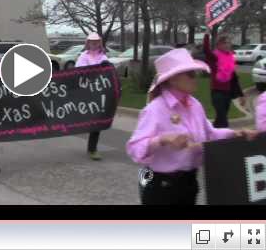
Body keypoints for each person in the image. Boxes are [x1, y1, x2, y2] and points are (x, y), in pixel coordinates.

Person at [126, 48, 257, 205]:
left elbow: (209, 133)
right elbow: (134, 148)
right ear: (173, 79)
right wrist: (161, 140)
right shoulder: (155, 109)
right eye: (190, 74)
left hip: (189, 183)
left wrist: (235, 133)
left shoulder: (194, 105)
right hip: (161, 187)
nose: (196, 78)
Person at [75, 32, 109, 161]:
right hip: (87, 91)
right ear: (87, 43)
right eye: (91, 41)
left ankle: (92, 149)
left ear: (99, 42)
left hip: (99, 92)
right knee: (88, 118)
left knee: (97, 120)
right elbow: (78, 71)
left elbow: (108, 71)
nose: (94, 44)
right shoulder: (83, 56)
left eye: (96, 41)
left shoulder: (103, 56)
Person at [203, 31, 245, 128]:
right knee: (223, 119)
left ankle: (212, 133)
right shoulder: (215, 57)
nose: (227, 45)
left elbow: (234, 78)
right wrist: (206, 34)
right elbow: (206, 50)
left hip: (228, 93)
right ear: (218, 44)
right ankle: (226, 140)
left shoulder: (230, 58)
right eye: (224, 43)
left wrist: (241, 95)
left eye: (228, 42)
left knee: (220, 118)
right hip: (217, 93)